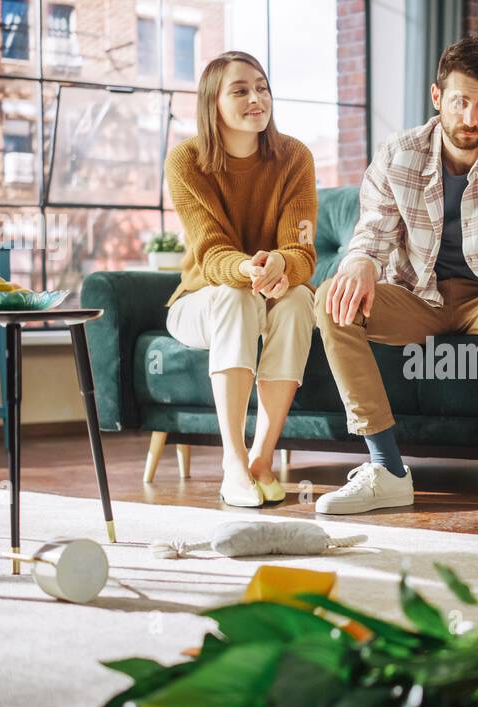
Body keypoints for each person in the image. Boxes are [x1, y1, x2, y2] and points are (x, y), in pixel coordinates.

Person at [315, 36, 478, 522]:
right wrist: (361, 262)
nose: (472, 119)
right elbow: (370, 234)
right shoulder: (400, 152)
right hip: (420, 299)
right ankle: (386, 468)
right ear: (437, 98)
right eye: (460, 102)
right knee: (332, 297)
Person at [163, 51, 318, 507]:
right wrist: (249, 269)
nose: (257, 98)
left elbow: (303, 250)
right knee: (235, 296)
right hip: (199, 303)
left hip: (272, 294)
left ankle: (261, 460)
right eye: (241, 90)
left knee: (297, 302)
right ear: (213, 103)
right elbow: (210, 252)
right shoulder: (186, 160)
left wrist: (282, 268)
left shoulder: (294, 157)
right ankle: (233, 463)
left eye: (262, 87)